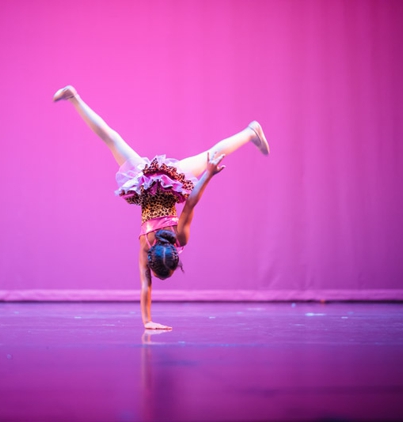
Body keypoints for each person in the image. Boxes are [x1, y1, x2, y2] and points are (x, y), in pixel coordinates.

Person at [53, 85, 269, 330]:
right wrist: (146, 322)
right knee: (111, 139)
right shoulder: (146, 243)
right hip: (149, 181)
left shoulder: (178, 238)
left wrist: (207, 176)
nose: (152, 276)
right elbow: (145, 284)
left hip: (167, 178)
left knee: (212, 154)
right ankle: (74, 98)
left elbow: (191, 202)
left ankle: (251, 132)